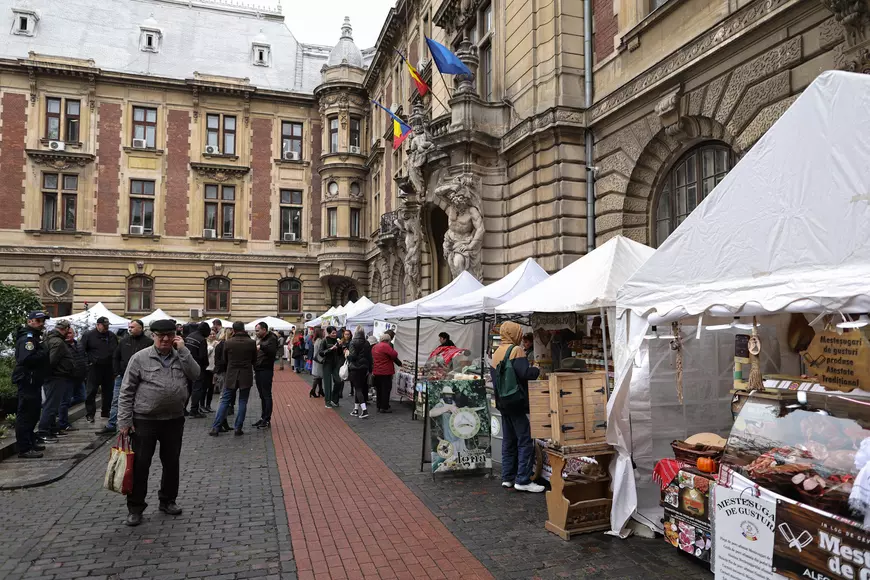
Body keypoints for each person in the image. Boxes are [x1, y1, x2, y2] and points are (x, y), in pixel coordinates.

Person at [118, 319, 200, 526]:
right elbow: (126, 390)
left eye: (169, 335)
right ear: (153, 336)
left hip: (173, 419)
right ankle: (135, 507)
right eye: (160, 335)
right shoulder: (140, 358)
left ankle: (168, 501)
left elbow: (196, 374)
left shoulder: (181, 356)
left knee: (171, 463)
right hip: (145, 420)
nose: (165, 339)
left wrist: (184, 351)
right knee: (141, 464)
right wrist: (124, 421)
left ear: (175, 336)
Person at [491, 321, 544, 493]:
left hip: (502, 402)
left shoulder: (497, 351)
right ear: (515, 333)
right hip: (516, 402)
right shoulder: (516, 350)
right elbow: (525, 374)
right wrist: (536, 368)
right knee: (525, 439)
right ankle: (522, 479)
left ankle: (507, 477)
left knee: (508, 440)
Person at [98, 320, 153, 435]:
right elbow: (116, 357)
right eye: (129, 327)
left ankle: (137, 422)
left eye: (133, 327)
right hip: (122, 376)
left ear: (141, 328)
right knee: (117, 400)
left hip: (141, 378)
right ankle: (112, 424)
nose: (130, 329)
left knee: (139, 399)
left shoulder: (148, 343)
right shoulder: (124, 341)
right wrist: (116, 372)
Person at [13, 311, 50, 458]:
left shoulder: (35, 337)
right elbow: (26, 359)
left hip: (34, 380)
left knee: (33, 413)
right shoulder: (27, 339)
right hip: (27, 380)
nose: (41, 324)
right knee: (26, 414)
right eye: (38, 321)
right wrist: (44, 352)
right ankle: (24, 448)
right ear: (30, 321)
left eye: (43, 321)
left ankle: (30, 441)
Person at [211, 322, 256, 436]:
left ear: (234, 330)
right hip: (246, 374)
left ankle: (216, 427)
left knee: (225, 400)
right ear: (244, 329)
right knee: (242, 401)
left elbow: (224, 359)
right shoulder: (251, 342)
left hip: (231, 374)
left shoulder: (228, 342)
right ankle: (238, 428)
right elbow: (254, 359)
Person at [36, 320, 75, 442]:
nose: (69, 332)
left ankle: (52, 428)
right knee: (51, 405)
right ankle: (43, 431)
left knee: (53, 405)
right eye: (68, 330)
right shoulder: (58, 342)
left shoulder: (51, 339)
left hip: (54, 377)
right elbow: (51, 361)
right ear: (65, 329)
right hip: (55, 377)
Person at [83, 316, 119, 423]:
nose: (106, 328)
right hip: (94, 367)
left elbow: (116, 351)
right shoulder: (89, 335)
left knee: (108, 392)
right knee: (91, 391)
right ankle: (90, 414)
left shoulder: (111, 335)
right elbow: (82, 350)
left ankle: (106, 412)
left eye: (107, 326)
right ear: (98, 325)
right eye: (104, 326)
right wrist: (88, 363)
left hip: (108, 368)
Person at [58, 326, 88, 432]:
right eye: (66, 333)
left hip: (79, 377)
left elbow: (84, 357)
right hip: (68, 377)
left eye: (70, 333)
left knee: (82, 397)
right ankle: (63, 423)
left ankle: (60, 410)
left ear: (74, 334)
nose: (67, 335)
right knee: (64, 401)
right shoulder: (62, 346)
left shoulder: (78, 344)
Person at [252, 322, 278, 428]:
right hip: (259, 368)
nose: (256, 332)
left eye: (258, 330)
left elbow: (271, 351)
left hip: (265, 369)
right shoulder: (262, 338)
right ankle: (263, 417)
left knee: (266, 395)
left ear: (264, 329)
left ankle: (267, 419)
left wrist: (260, 346)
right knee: (262, 395)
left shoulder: (271, 338)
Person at [184, 322, 209, 418]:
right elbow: (203, 356)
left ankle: (183, 408)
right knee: (197, 388)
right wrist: (205, 365)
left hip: (187, 366)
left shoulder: (190, 336)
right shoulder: (202, 340)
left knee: (188, 388)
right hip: (198, 367)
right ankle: (194, 410)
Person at [346, 328, 373, 418]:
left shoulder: (353, 342)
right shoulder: (367, 343)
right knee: (359, 388)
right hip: (364, 368)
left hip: (355, 368)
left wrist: (347, 355)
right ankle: (356, 409)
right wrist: (370, 369)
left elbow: (352, 356)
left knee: (357, 389)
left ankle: (364, 410)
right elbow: (370, 358)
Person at [371, 333, 401, 414]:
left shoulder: (375, 346)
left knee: (379, 390)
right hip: (385, 372)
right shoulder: (386, 346)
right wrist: (400, 364)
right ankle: (384, 407)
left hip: (377, 371)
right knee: (386, 390)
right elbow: (394, 354)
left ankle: (379, 405)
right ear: (388, 340)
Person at [212, 327, 233, 432]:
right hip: (224, 373)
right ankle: (218, 423)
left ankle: (223, 421)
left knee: (224, 399)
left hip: (220, 372)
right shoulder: (225, 345)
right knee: (223, 399)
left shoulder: (219, 345)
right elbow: (222, 361)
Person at [317, 326, 343, 408]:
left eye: (335, 333)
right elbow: (321, 352)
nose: (335, 334)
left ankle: (334, 399)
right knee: (328, 384)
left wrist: (340, 347)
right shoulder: (324, 340)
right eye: (333, 333)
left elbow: (339, 353)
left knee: (339, 381)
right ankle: (327, 402)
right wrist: (330, 349)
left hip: (336, 363)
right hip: (327, 363)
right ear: (329, 333)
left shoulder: (337, 340)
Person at [309, 328, 324, 398]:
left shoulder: (316, 341)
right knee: (317, 376)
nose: (324, 333)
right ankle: (313, 390)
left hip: (316, 360)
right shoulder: (320, 341)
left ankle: (320, 390)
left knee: (319, 376)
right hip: (319, 360)